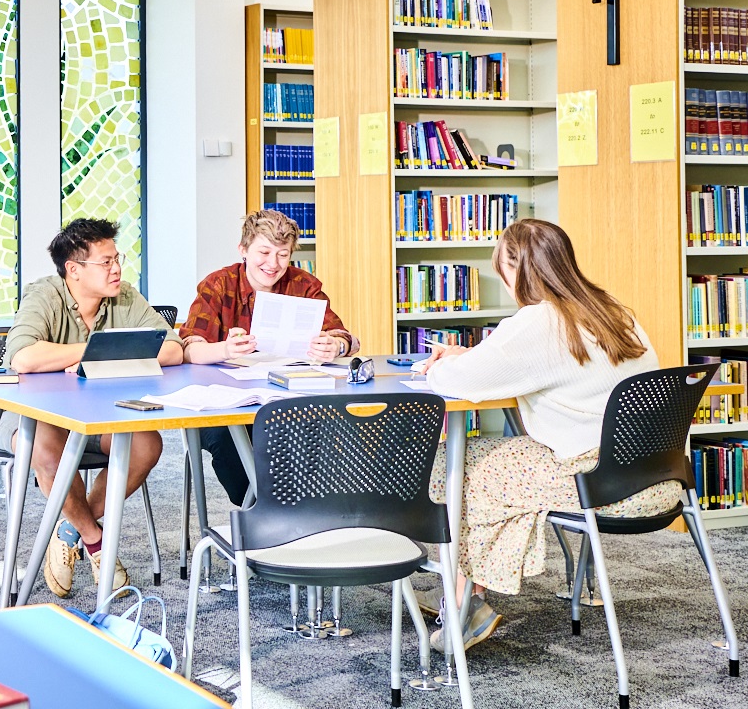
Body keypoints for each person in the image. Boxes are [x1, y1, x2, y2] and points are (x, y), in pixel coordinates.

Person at [420, 218, 681, 651]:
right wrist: (477, 357)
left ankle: (465, 601)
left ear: (517, 269)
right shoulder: (612, 310)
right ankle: (469, 593)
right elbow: (540, 363)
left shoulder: (540, 321)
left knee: (450, 465)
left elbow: (457, 384)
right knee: (487, 468)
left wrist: (442, 364)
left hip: (595, 477)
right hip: (654, 475)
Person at [5, 218, 184, 597]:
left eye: (116, 258)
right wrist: (95, 351)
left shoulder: (124, 296)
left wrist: (101, 357)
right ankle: (96, 540)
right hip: (48, 421)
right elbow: (23, 357)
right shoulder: (43, 296)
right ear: (74, 270)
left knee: (147, 444)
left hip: (105, 418)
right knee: (38, 446)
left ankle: (70, 526)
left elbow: (171, 348)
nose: (116, 268)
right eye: (106, 262)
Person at [178, 209, 359, 506]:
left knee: (320, 429)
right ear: (243, 250)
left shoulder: (303, 285)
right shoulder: (218, 285)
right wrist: (224, 349)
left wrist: (335, 346)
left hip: (286, 396)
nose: (273, 264)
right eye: (264, 252)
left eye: (283, 255)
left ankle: (305, 512)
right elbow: (188, 348)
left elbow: (345, 337)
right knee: (229, 440)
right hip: (223, 402)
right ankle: (259, 512)